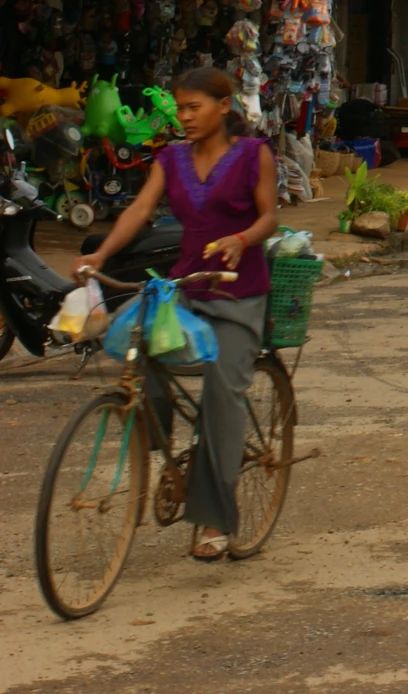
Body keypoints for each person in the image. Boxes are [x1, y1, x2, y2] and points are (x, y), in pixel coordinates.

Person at [76, 67, 276, 562]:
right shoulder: (171, 158)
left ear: (223, 106)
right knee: (133, 345)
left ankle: (213, 516)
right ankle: (165, 450)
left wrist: (241, 239)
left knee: (222, 396)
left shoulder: (255, 155)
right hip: (184, 288)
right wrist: (99, 257)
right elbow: (139, 210)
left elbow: (270, 216)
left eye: (194, 107)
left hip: (237, 295)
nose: (184, 117)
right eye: (179, 108)